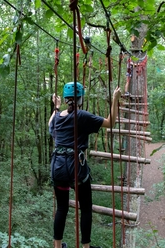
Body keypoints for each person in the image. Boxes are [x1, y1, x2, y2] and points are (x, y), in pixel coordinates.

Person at [49, 82, 121, 248]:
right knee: (86, 208)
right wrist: (115, 99)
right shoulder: (82, 116)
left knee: (61, 208)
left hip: (58, 169)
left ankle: (57, 246)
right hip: (76, 169)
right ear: (80, 99)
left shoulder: (58, 117)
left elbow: (50, 124)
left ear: (66, 100)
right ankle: (86, 247)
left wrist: (56, 107)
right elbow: (110, 123)